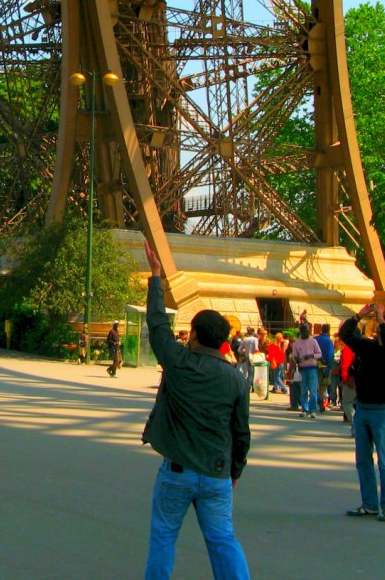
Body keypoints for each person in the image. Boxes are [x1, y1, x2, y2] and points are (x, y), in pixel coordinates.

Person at [140, 240, 251, 580]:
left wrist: (156, 277)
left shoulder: (179, 363)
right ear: (222, 341)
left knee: (163, 536)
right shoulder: (237, 380)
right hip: (217, 473)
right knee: (222, 539)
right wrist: (235, 471)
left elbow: (158, 325)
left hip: (177, 471)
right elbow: (241, 433)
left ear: (194, 336)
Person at [338, 303, 385, 522]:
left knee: (384, 462)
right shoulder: (369, 349)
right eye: (379, 326)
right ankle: (369, 504)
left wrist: (380, 320)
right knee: (363, 461)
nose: (379, 328)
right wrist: (360, 315)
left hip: (384, 410)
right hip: (364, 408)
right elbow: (346, 334)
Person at [291, 324, 322, 417]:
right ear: (301, 332)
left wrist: (312, 356)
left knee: (313, 390)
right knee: (303, 390)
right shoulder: (297, 343)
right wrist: (297, 359)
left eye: (307, 331)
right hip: (303, 369)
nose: (306, 333)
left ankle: (312, 409)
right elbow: (294, 356)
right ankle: (305, 409)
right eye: (304, 331)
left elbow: (319, 354)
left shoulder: (313, 341)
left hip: (312, 367)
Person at [314, 324, 335, 411]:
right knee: (324, 384)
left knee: (316, 383)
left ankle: (317, 400)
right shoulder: (329, 341)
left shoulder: (315, 339)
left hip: (316, 363)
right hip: (325, 364)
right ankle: (321, 399)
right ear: (329, 331)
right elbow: (330, 354)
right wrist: (329, 366)